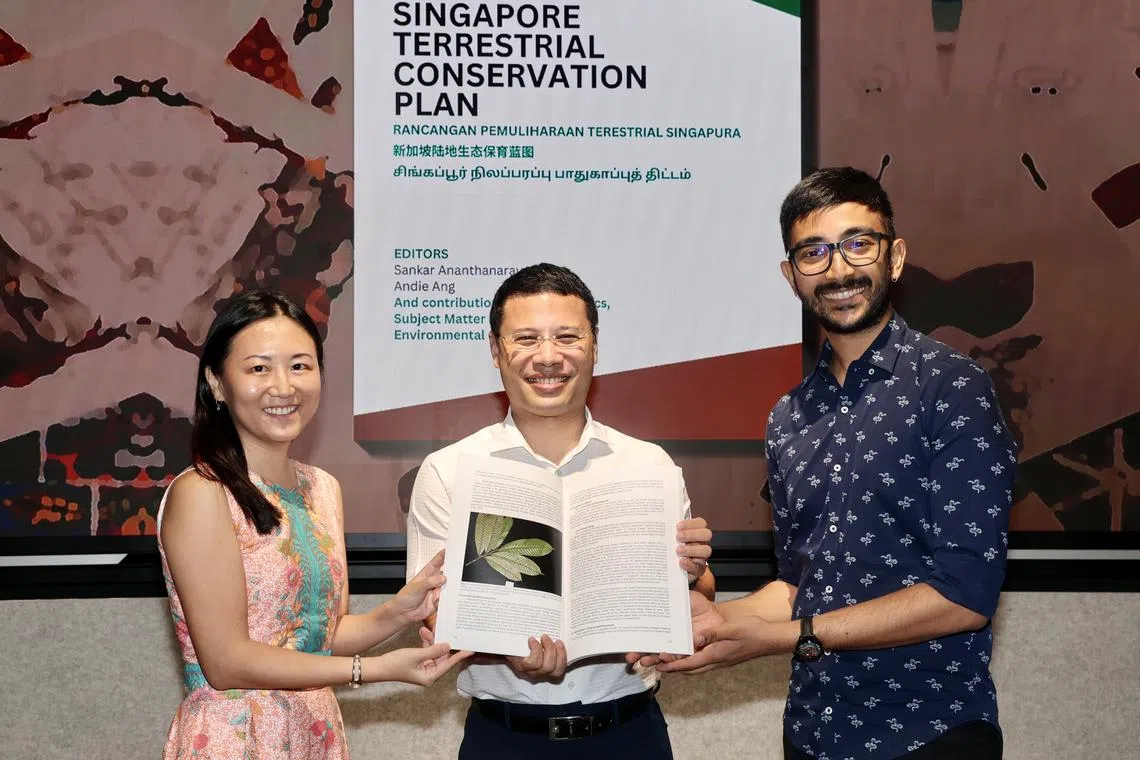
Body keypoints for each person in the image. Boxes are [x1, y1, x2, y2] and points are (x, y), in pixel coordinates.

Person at [635, 168, 1018, 760]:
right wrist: (714, 622)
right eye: (813, 253)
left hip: (931, 732)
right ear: (791, 277)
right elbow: (799, 585)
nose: (838, 269)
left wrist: (780, 639)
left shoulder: (952, 387)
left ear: (895, 258)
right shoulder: (789, 416)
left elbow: (965, 594)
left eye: (858, 244)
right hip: (814, 733)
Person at [406, 263, 715, 759]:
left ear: (595, 345)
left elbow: (700, 594)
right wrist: (508, 653)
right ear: (495, 351)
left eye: (567, 336)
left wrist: (694, 571)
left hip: (630, 734)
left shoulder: (648, 464)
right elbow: (432, 617)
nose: (547, 357)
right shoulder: (449, 471)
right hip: (503, 739)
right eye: (525, 338)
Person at [157, 290, 470, 759]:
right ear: (217, 383)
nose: (284, 387)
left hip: (315, 731)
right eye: (259, 368)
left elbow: (321, 637)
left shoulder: (323, 488)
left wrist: (397, 614)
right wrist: (377, 669)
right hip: (234, 737)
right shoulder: (202, 492)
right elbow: (225, 662)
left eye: (300, 366)